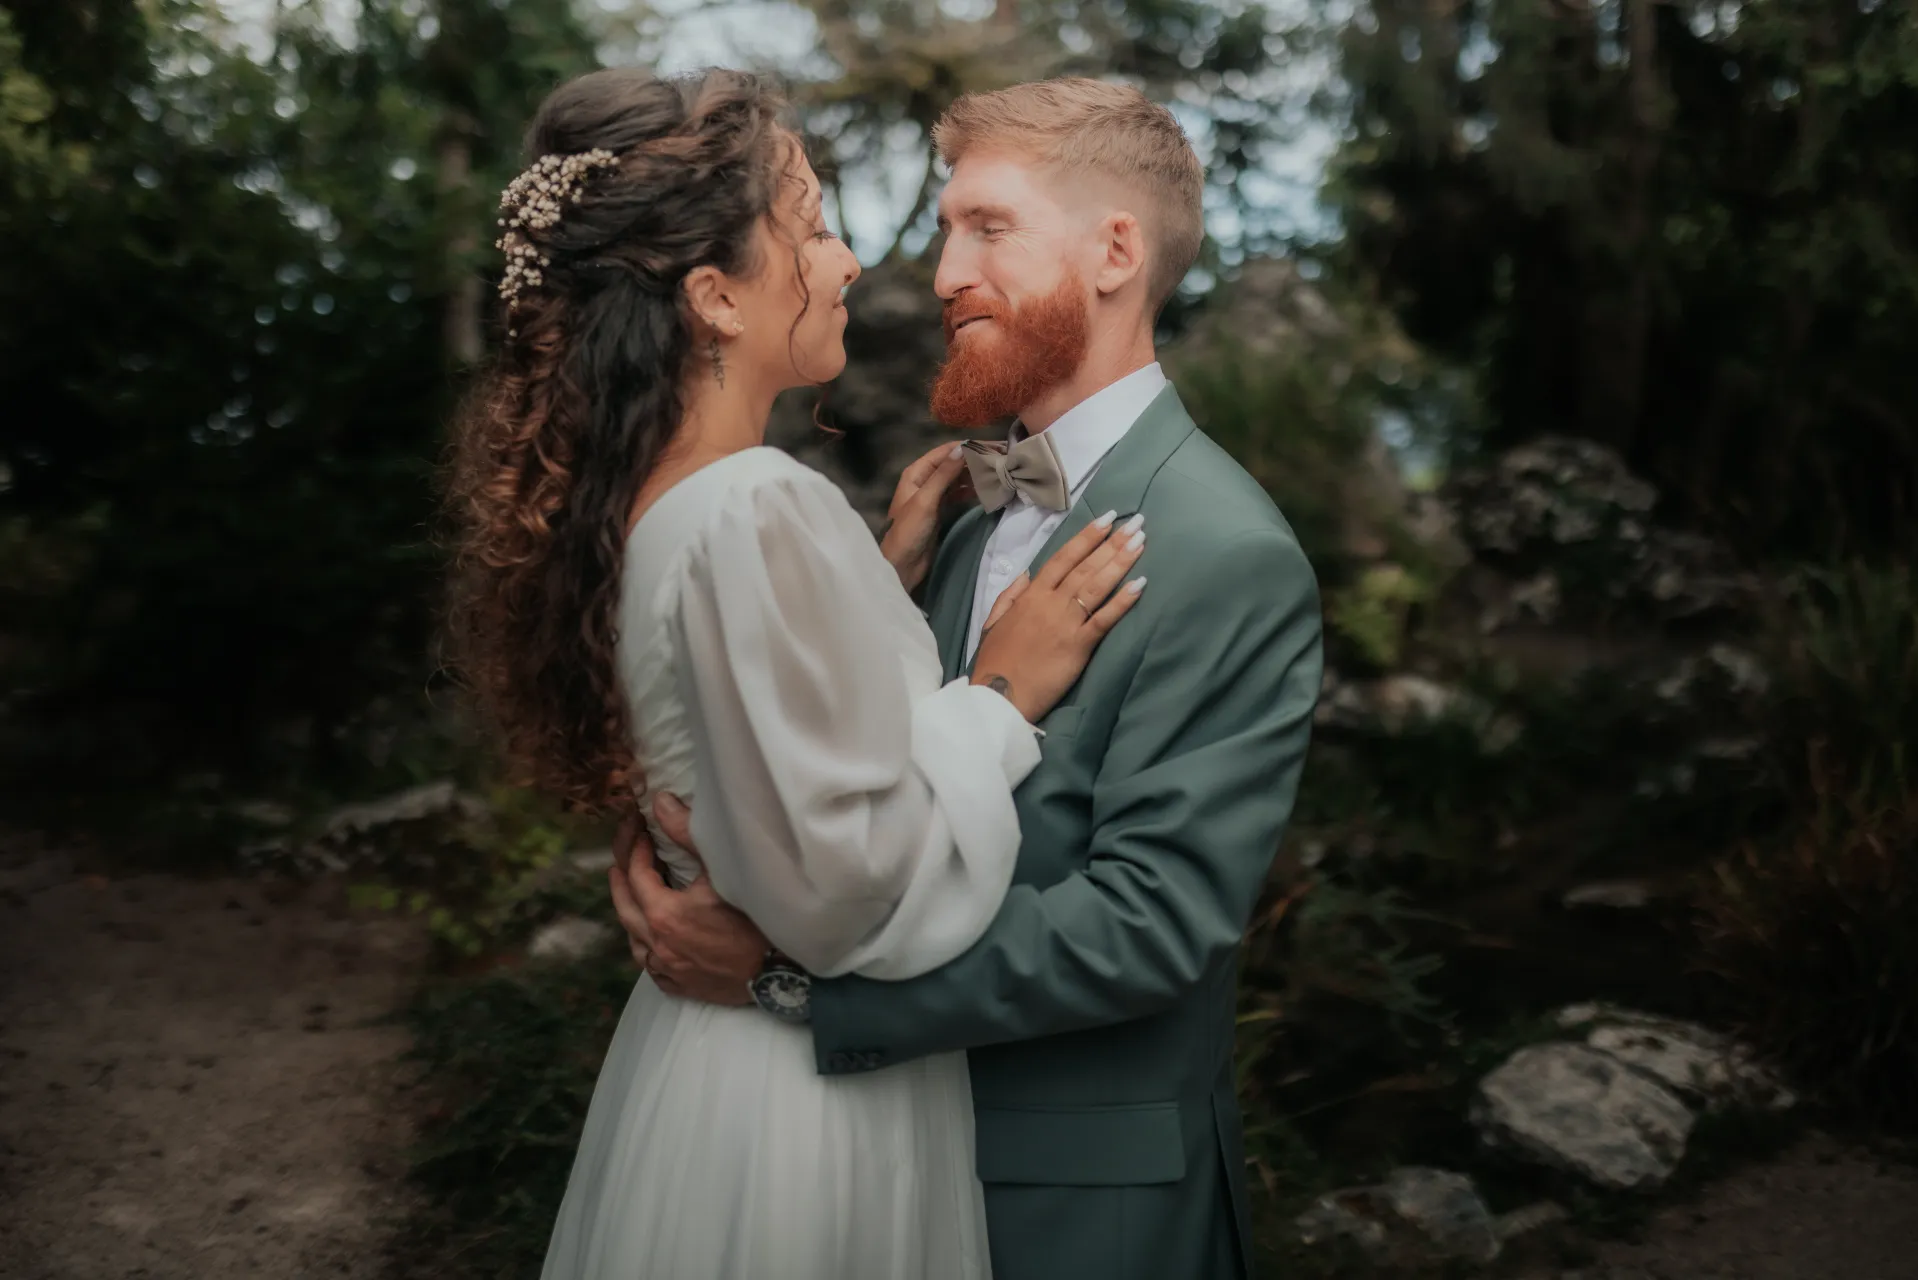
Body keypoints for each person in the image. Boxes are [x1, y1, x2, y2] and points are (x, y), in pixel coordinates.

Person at [611, 77, 1324, 1280]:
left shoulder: (1227, 549)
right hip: (868, 1174)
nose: (942, 274)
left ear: (1113, 251)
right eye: (946, 230)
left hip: (1070, 1200)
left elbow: (1152, 923)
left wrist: (791, 983)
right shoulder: (950, 521)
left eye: (987, 228)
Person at [442, 67, 1149, 1280]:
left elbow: (750, 736)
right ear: (716, 296)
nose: (853, 258)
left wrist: (868, 584)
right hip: (801, 1107)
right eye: (813, 226)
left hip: (691, 1073)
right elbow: (853, 890)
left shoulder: (649, 510)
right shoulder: (757, 508)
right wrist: (996, 697)